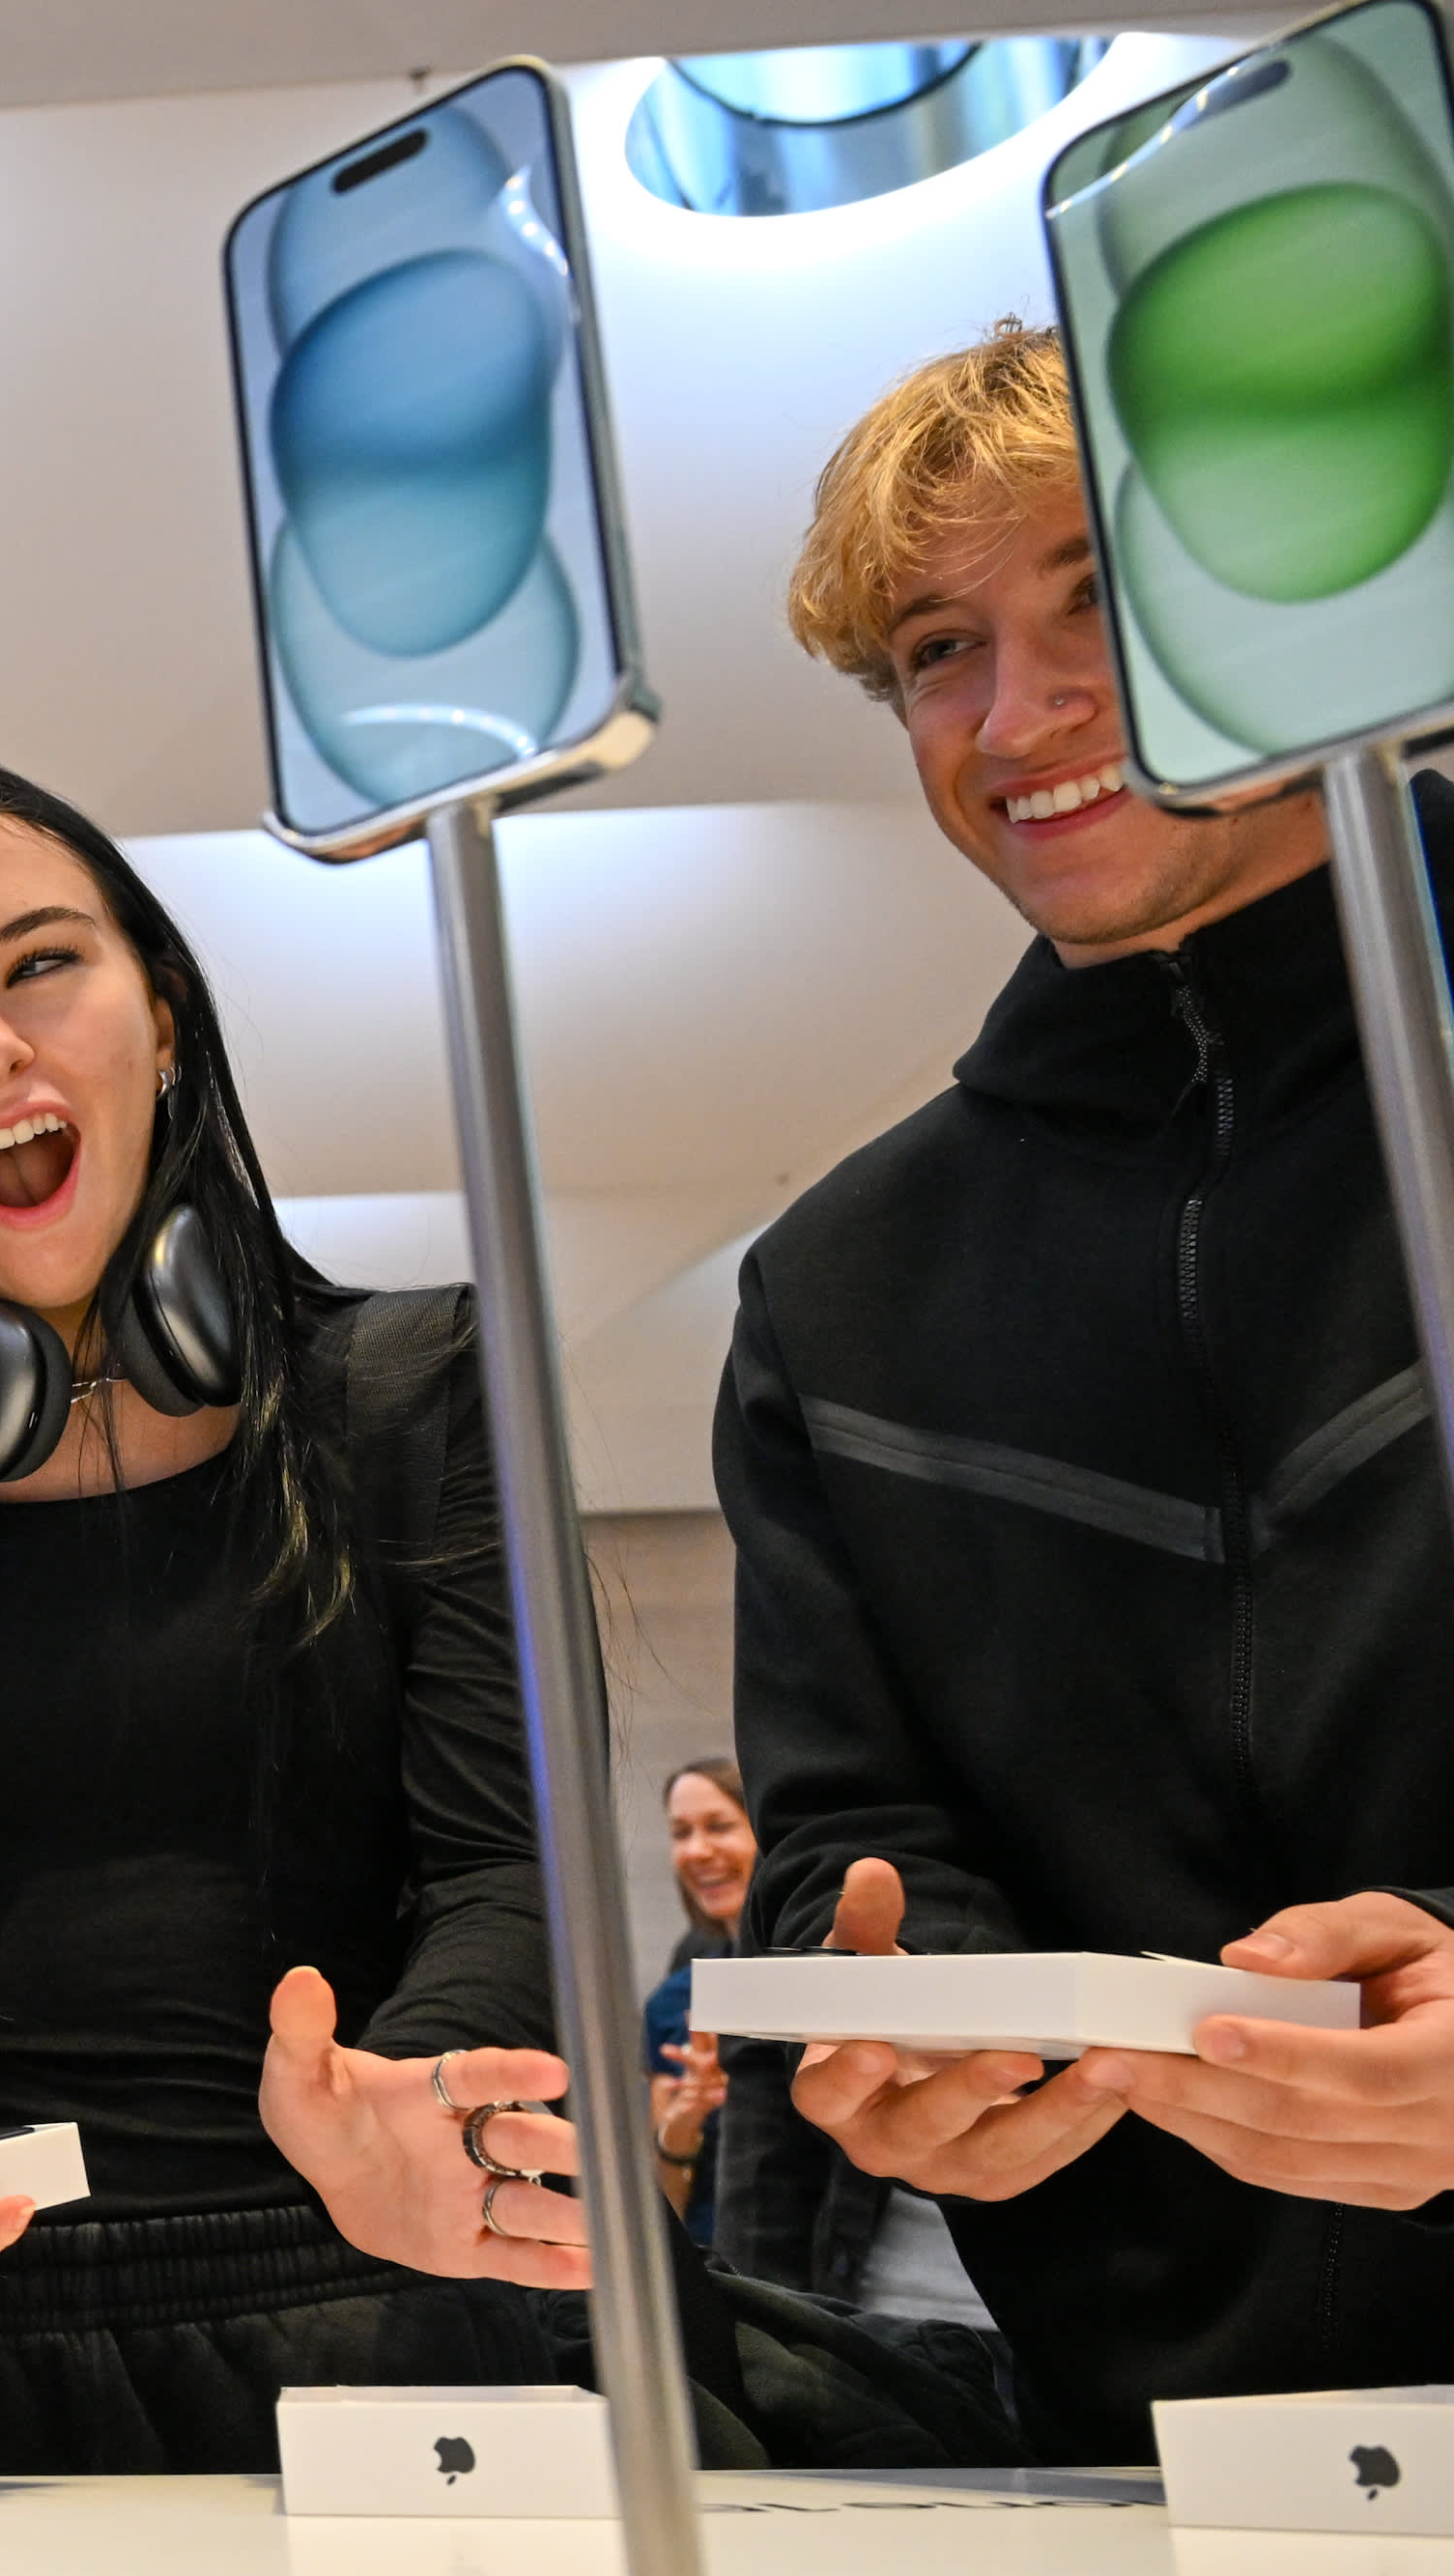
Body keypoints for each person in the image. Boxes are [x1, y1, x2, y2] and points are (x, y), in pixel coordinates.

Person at [0, 751, 594, 2477]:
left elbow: (504, 1863)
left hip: (379, 2317)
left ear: (162, 1018)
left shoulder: (422, 1390)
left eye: (42, 963)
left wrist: (412, 2100)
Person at [724, 320, 1454, 2464]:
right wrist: (896, 2011)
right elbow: (846, 1832)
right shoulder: (843, 1286)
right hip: (1155, 2454)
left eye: (1091, 610)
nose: (1012, 716)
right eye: (935, 649)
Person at [642, 1759, 751, 2239]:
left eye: (719, 1827)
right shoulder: (673, 2000)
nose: (697, 1850)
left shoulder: (828, 1978)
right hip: (720, 2271)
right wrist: (683, 2124)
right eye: (681, 1833)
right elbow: (663, 2214)